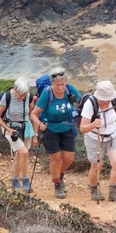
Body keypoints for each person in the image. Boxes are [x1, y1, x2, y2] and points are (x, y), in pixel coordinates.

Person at [80, 80, 116, 202]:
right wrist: (93, 124)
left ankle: (113, 191)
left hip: (112, 135)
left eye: (107, 100)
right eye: (103, 100)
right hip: (94, 137)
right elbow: (83, 128)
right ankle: (94, 189)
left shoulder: (115, 98)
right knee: (96, 166)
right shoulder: (90, 104)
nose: (106, 103)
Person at [31, 67, 81, 199]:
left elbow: (82, 101)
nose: (61, 87)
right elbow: (34, 114)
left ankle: (60, 175)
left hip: (67, 126)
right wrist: (40, 124)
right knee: (55, 159)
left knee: (69, 158)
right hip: (50, 129)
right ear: (52, 84)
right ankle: (57, 184)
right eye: (58, 85)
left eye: (63, 84)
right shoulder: (47, 94)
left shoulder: (70, 89)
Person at [0, 77, 36, 191]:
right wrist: (7, 129)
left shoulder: (29, 97)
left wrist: (35, 133)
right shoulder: (7, 96)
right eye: (21, 94)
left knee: (19, 154)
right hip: (10, 128)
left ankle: (14, 179)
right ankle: (25, 180)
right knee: (24, 153)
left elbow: (32, 114)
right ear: (15, 89)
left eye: (25, 94)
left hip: (25, 128)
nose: (23, 97)